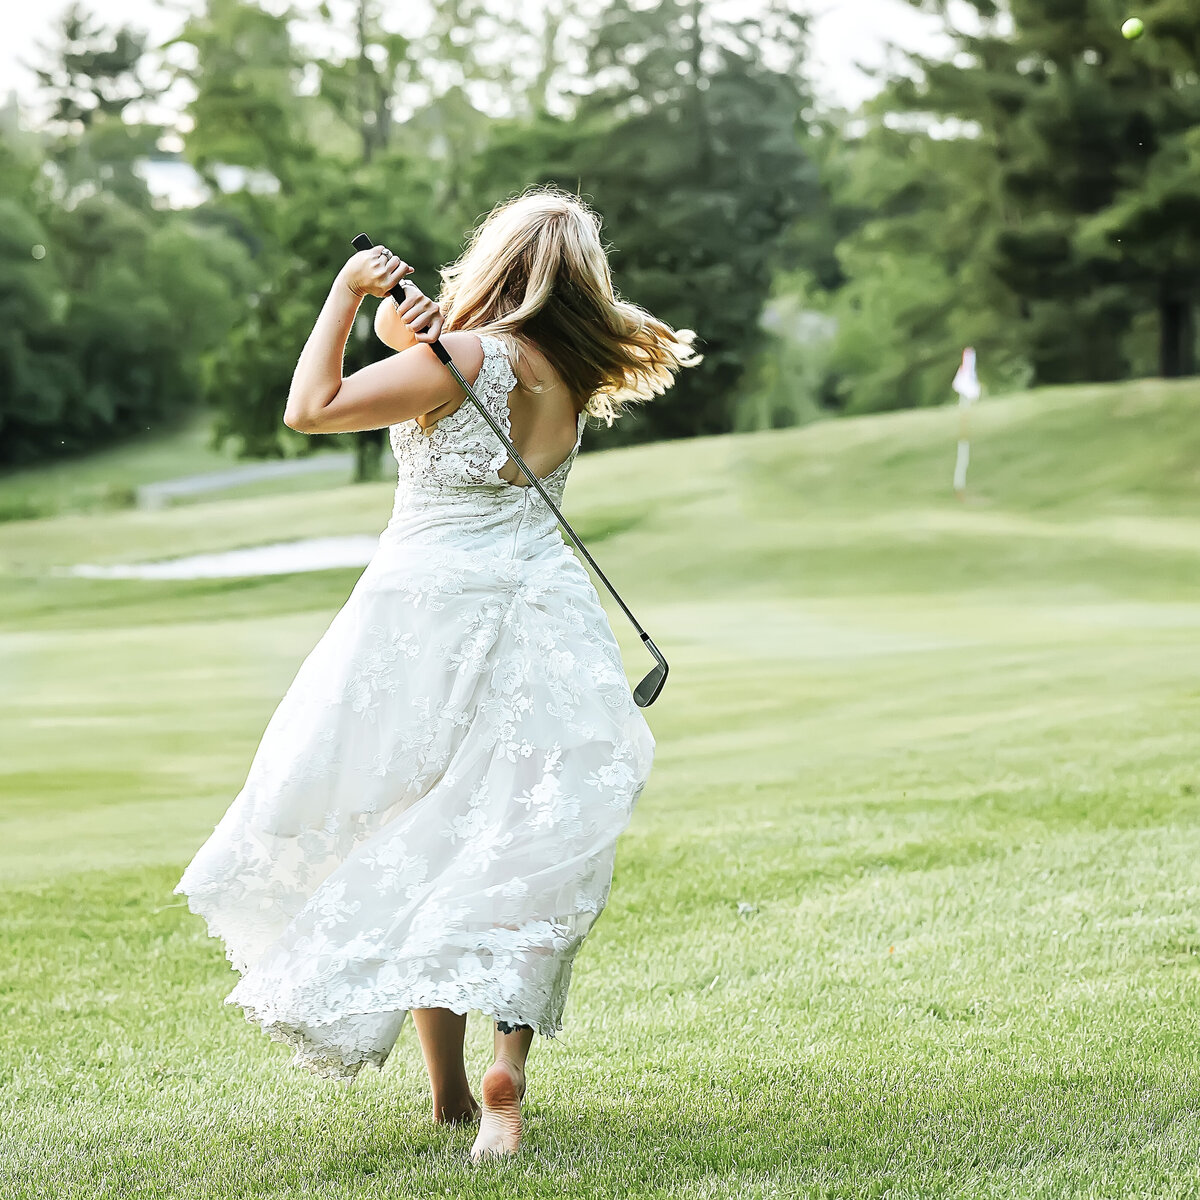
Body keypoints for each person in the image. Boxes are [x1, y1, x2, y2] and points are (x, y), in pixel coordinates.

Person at [173, 186, 700, 1161]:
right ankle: (504, 1074)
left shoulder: (460, 360)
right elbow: (440, 374)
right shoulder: (566, 371)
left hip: (428, 617)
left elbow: (311, 407)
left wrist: (342, 295)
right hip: (543, 616)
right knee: (515, 838)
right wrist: (396, 323)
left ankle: (450, 1091)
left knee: (416, 827)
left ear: (493, 260)